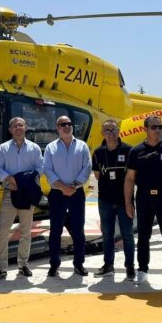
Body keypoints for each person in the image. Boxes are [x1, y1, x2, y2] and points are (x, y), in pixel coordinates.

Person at [124, 115, 162, 288]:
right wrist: (128, 202)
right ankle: (142, 270)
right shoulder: (136, 151)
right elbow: (129, 178)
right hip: (144, 197)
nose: (158, 130)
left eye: (160, 127)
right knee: (143, 236)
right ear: (145, 129)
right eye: (154, 127)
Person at [0, 117, 44, 281]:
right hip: (9, 193)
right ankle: (2, 267)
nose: (18, 128)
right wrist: (9, 179)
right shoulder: (3, 148)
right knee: (3, 232)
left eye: (20, 125)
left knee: (26, 232)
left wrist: (26, 179)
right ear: (10, 130)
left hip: (27, 194)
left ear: (25, 127)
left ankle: (23, 264)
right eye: (14, 126)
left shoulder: (35, 148)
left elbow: (41, 167)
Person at [44, 115, 92, 277]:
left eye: (69, 124)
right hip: (57, 193)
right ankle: (54, 264)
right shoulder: (50, 147)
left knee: (78, 230)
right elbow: (48, 170)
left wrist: (75, 185)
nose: (67, 126)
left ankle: (79, 264)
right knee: (55, 230)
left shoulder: (82, 146)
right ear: (57, 128)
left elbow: (87, 167)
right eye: (63, 124)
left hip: (76, 192)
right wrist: (63, 187)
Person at [91, 119, 135, 280]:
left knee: (127, 234)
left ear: (119, 131)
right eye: (107, 130)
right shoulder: (98, 153)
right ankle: (108, 265)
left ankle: (130, 266)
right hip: (105, 200)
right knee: (107, 233)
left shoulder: (129, 150)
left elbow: (132, 176)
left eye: (114, 130)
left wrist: (129, 201)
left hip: (125, 200)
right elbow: (97, 175)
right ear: (102, 133)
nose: (111, 133)